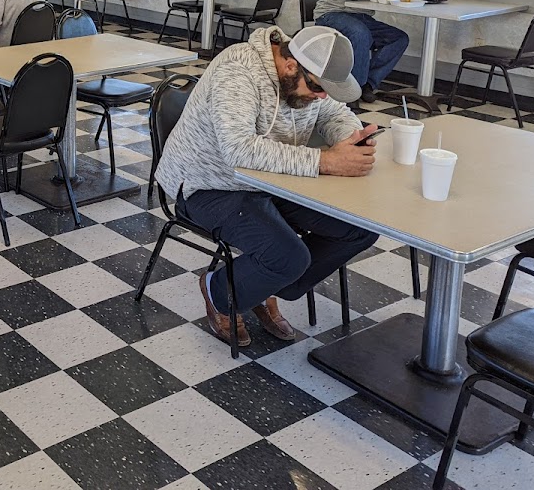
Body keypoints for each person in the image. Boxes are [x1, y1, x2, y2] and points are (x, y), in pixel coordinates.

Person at [155, 25, 379, 347]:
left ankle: (267, 287)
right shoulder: (238, 70)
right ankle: (218, 288)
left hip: (273, 181)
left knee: (361, 227)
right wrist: (327, 161)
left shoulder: (308, 76)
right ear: (291, 66)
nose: (321, 97)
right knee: (288, 256)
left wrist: (350, 139)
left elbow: (333, 113)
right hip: (207, 184)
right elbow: (239, 150)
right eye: (317, 88)